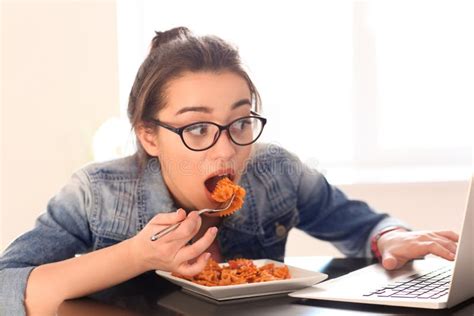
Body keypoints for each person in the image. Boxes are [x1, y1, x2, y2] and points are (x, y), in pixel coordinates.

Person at [0, 27, 459, 315]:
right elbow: (6, 286)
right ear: (149, 136)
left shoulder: (275, 170)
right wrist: (137, 255)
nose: (226, 149)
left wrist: (392, 238)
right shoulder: (97, 193)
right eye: (198, 128)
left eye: (241, 122)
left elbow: (366, 227)